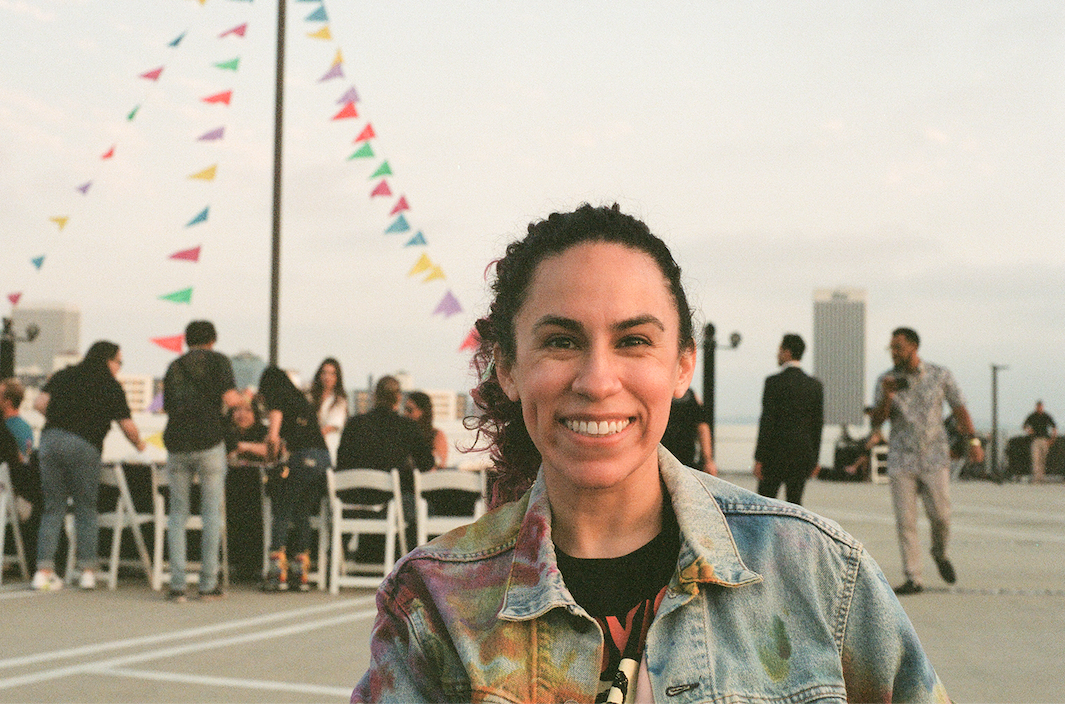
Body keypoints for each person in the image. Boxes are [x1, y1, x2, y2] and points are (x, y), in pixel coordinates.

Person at [352, 204, 948, 702]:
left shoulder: (817, 572)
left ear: (682, 364)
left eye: (634, 340)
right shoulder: (437, 607)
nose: (597, 379)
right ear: (507, 367)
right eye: (561, 341)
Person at [871, 327, 984, 596]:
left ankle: (939, 552)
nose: (893, 352)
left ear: (914, 346)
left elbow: (959, 408)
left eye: (898, 347)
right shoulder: (886, 379)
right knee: (905, 521)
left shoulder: (940, 374)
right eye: (891, 347)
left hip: (935, 457)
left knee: (941, 516)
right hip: (901, 458)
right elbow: (876, 421)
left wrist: (973, 442)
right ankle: (913, 577)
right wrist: (886, 397)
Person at [31, 341, 146, 591]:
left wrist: (62, 419)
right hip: (85, 445)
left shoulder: (64, 375)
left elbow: (38, 403)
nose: (119, 367)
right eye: (119, 362)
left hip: (50, 440)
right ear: (108, 360)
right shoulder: (110, 386)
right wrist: (140, 445)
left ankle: (43, 572)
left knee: (53, 507)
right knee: (85, 508)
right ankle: (87, 572)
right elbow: (128, 427)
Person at [162, 321, 243, 602]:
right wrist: (247, 401)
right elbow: (231, 400)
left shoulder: (174, 367)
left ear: (186, 340)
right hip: (209, 440)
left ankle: (177, 584)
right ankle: (207, 584)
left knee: (177, 516)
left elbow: (168, 406)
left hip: (176, 442)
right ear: (213, 339)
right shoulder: (219, 362)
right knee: (210, 514)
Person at [337, 376, 434, 552]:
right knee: (422, 506)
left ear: (374, 396)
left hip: (351, 504)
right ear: (398, 398)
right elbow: (427, 463)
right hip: (388, 505)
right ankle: (407, 564)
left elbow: (341, 462)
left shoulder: (354, 424)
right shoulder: (407, 426)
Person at [258, 365, 331, 592]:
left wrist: (270, 461)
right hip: (322, 459)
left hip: (301, 458)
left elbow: (272, 439)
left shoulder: (278, 401)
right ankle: (301, 573)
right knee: (302, 512)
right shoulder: (301, 401)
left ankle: (277, 571)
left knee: (282, 508)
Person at [753, 333, 825, 505]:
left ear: (787, 352)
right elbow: (817, 425)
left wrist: (759, 458)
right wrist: (814, 459)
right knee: (795, 504)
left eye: (779, 350)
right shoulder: (814, 385)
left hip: (774, 454)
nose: (777, 354)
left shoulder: (773, 383)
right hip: (801, 455)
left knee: (765, 504)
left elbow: (767, 422)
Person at [660, 387, 716, 475]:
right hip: (663, 456)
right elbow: (702, 428)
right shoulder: (689, 395)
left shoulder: (689, 395)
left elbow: (702, 428)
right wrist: (708, 460)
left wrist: (708, 460)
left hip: (686, 457)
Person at [309, 357, 348, 466]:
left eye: (332, 374)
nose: (327, 377)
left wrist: (309, 436)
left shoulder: (339, 401)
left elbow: (331, 426)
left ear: (337, 377)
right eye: (325, 373)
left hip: (328, 448)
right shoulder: (311, 397)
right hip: (309, 449)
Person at [404, 391, 449, 468]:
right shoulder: (402, 433)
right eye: (405, 409)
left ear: (422, 411)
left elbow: (440, 463)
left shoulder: (436, 435)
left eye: (409, 410)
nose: (405, 413)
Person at [1022, 401, 1057, 484]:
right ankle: (1036, 478)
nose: (1039, 408)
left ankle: (1042, 477)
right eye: (1038, 407)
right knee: (1035, 458)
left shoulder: (1046, 416)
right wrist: (1029, 431)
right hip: (1035, 439)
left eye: (1041, 407)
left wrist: (1052, 439)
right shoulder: (1032, 416)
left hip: (1044, 439)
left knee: (1043, 459)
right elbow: (1024, 425)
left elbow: (1054, 427)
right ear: (1036, 407)